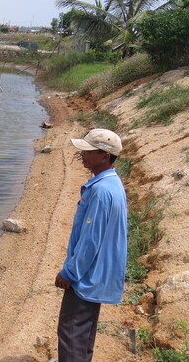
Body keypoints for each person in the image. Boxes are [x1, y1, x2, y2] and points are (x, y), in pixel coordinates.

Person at [54, 128, 128, 362]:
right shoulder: (112, 184)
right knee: (83, 335)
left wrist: (69, 272)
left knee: (71, 333)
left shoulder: (101, 191)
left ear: (104, 156)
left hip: (87, 275)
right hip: (97, 274)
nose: (82, 154)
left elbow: (90, 240)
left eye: (88, 151)